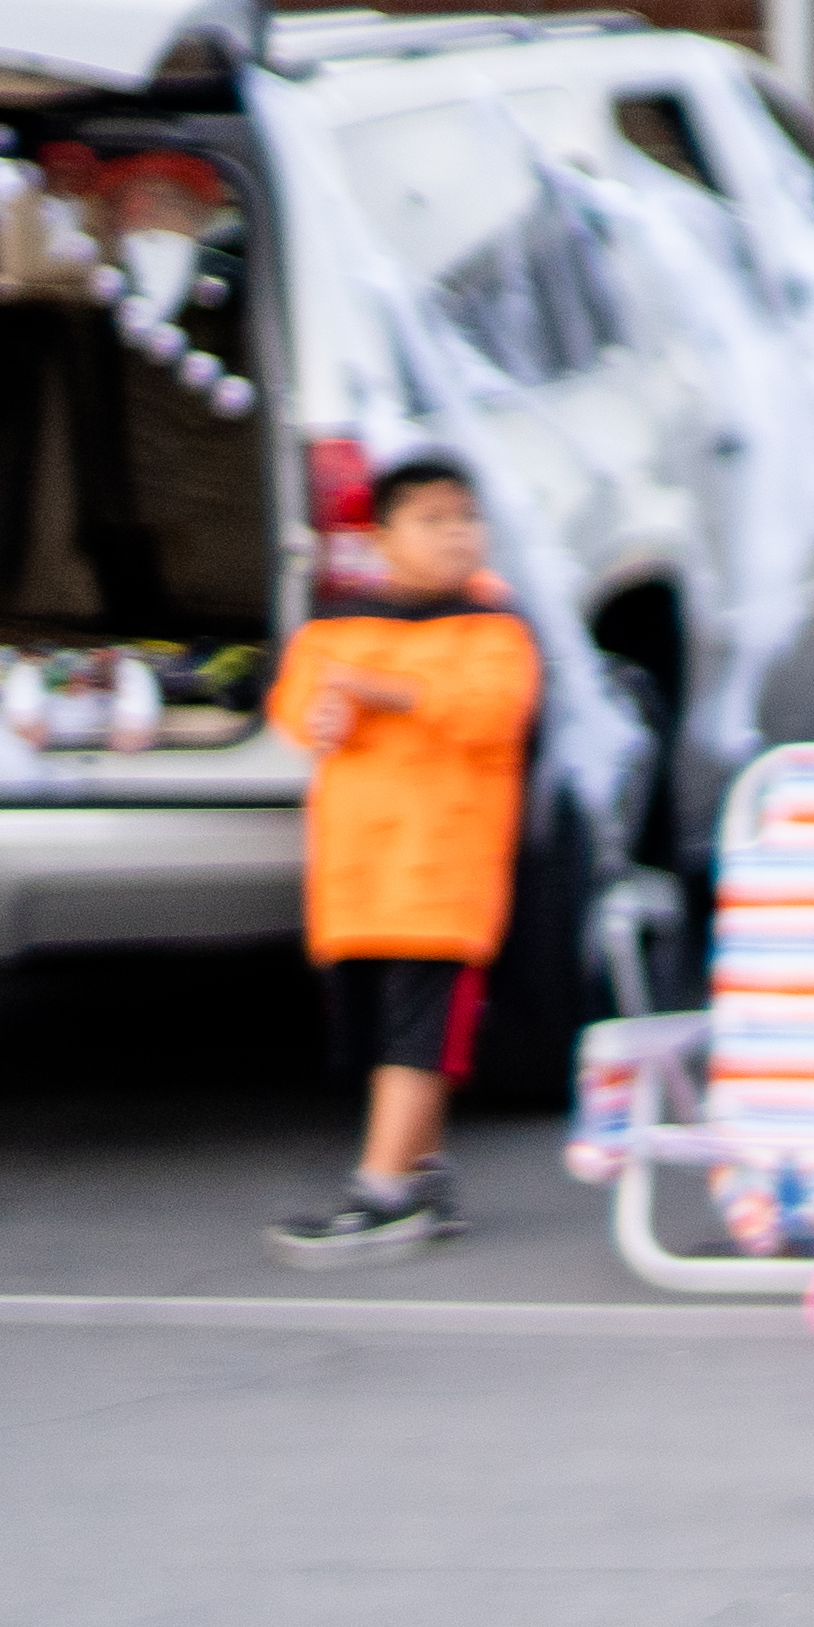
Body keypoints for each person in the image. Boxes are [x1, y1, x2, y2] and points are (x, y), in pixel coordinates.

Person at [266, 454, 535, 1266]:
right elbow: (295, 706)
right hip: (356, 877)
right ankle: (421, 1176)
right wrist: (318, 716)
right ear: (381, 538)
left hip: (443, 875)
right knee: (379, 1033)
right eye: (432, 520)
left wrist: (386, 690)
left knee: (417, 1035)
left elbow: (493, 714)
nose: (457, 535)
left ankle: (381, 1192)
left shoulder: (495, 629)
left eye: (466, 518)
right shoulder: (334, 629)